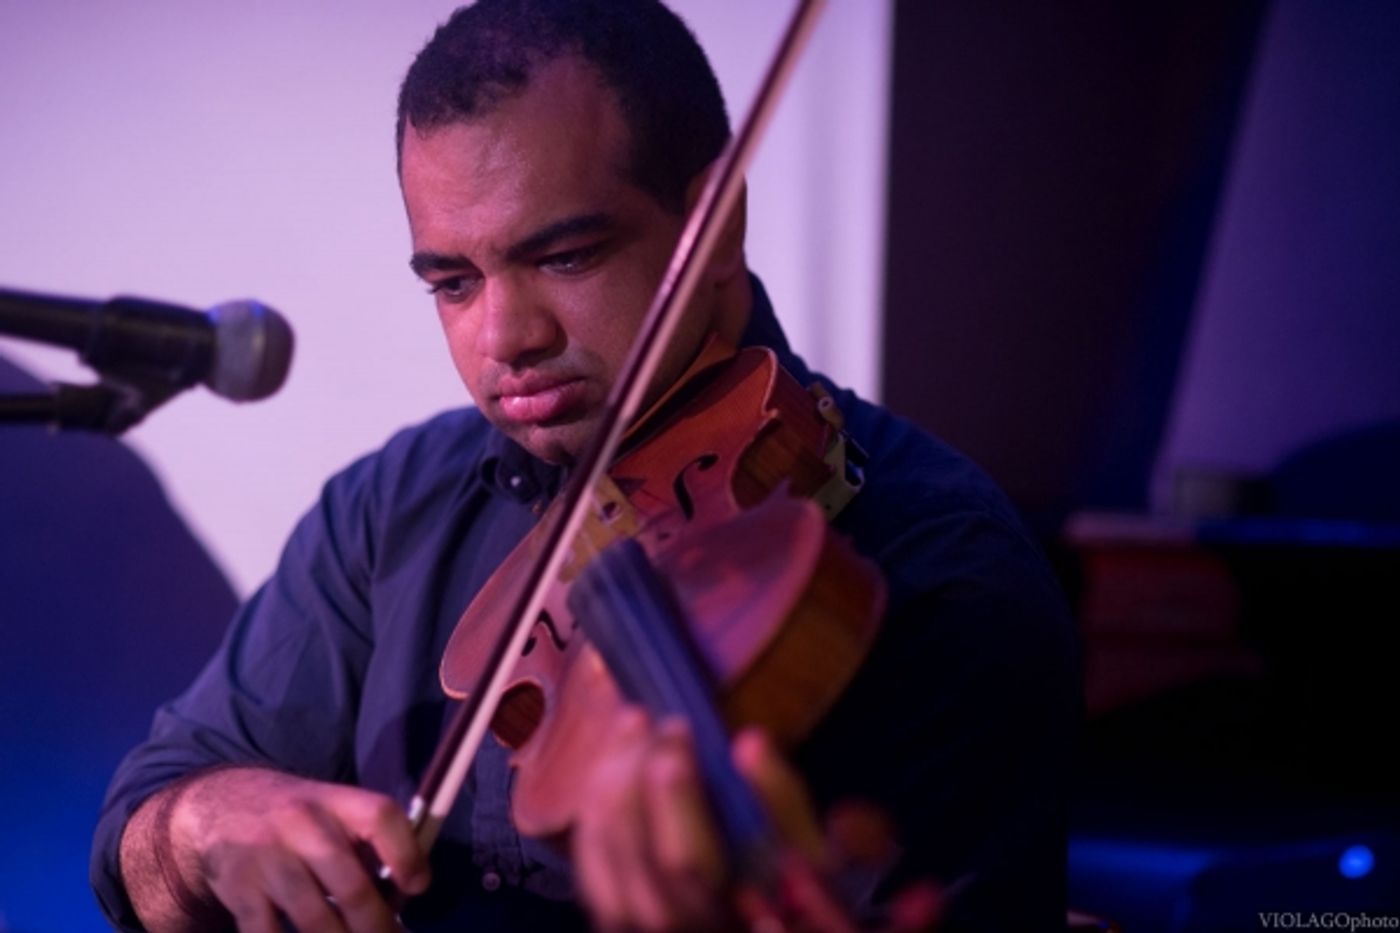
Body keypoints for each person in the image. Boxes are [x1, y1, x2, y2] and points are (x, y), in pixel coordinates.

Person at [91, 1, 1081, 930]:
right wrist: (202, 825)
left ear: (716, 226)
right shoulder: (389, 510)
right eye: (453, 283)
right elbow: (138, 832)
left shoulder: (938, 565)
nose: (504, 337)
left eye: (564, 257)